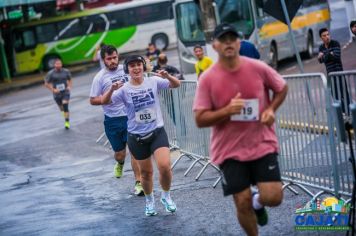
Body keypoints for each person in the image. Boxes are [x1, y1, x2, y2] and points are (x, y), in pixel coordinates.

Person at [193, 23, 288, 236]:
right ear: (214, 45)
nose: (228, 43)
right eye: (223, 39)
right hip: (229, 150)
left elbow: (282, 87)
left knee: (274, 197)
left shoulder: (257, 67)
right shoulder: (208, 78)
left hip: (261, 143)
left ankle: (258, 201)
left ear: (239, 42)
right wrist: (227, 110)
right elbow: (200, 119)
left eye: (232, 38)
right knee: (241, 201)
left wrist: (271, 109)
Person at [101, 55, 180, 216]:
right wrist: (111, 89)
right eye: (132, 66)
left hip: (157, 132)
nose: (136, 68)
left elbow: (176, 85)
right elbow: (105, 101)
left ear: (143, 67)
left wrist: (167, 76)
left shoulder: (153, 81)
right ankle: (150, 201)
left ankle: (166, 196)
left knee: (165, 167)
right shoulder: (123, 89)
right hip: (136, 137)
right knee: (146, 173)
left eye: (138, 65)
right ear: (127, 70)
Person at [89, 45, 144, 196]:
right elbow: (92, 100)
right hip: (113, 121)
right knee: (120, 153)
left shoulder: (126, 69)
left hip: (131, 117)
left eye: (115, 57)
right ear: (103, 59)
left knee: (134, 151)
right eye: (109, 59)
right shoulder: (100, 77)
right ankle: (119, 163)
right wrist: (109, 94)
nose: (113, 61)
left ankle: (139, 183)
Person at [318, 28, 350, 114]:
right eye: (324, 36)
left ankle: (349, 112)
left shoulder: (335, 43)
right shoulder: (321, 47)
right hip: (330, 76)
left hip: (339, 74)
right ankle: (342, 114)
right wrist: (329, 54)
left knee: (344, 94)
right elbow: (320, 60)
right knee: (335, 96)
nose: (327, 37)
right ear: (321, 38)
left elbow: (336, 57)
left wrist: (324, 55)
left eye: (328, 34)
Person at [44, 59, 72, 129]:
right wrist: (53, 90)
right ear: (54, 65)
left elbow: (70, 79)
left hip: (65, 91)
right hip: (57, 94)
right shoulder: (51, 73)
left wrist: (69, 86)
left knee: (65, 105)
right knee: (61, 107)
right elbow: (46, 83)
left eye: (60, 64)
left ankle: (67, 122)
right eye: (57, 64)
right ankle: (65, 114)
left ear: (61, 64)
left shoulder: (66, 71)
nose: (58, 65)